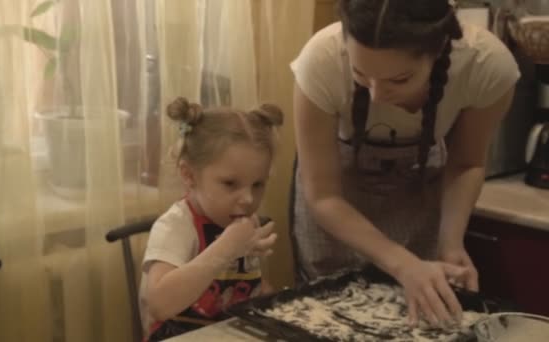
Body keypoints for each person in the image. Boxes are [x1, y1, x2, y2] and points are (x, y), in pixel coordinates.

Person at [290, 0, 519, 327]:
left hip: (421, 189)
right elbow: (324, 196)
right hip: (337, 206)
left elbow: (466, 163)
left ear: (438, 50)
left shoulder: (486, 65)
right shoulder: (321, 59)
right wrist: (402, 263)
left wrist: (449, 243)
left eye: (399, 80)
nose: (378, 97)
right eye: (360, 75)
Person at [140, 97, 283, 341]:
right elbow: (159, 304)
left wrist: (271, 299)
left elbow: (241, 286)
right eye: (230, 184)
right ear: (189, 175)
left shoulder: (241, 221)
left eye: (258, 184)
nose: (248, 199)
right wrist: (226, 248)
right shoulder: (176, 227)